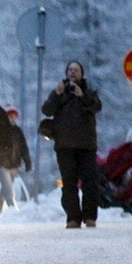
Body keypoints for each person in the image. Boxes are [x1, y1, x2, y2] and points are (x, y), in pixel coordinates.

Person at [41, 60, 103, 228]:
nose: (73, 72)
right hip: (65, 145)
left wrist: (82, 96)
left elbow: (97, 107)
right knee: (68, 183)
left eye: (76, 70)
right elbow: (46, 110)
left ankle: (90, 216)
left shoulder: (89, 92)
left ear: (82, 74)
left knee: (90, 181)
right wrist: (57, 94)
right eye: (70, 69)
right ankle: (73, 217)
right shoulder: (59, 92)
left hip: (86, 145)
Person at [0, 107, 32, 217]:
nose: (12, 119)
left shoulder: (18, 131)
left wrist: (27, 161)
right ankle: (13, 211)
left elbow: (23, 147)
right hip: (1, 164)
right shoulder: (0, 130)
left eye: (14, 117)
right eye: (10, 116)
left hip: (14, 165)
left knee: (4, 190)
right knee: (8, 189)